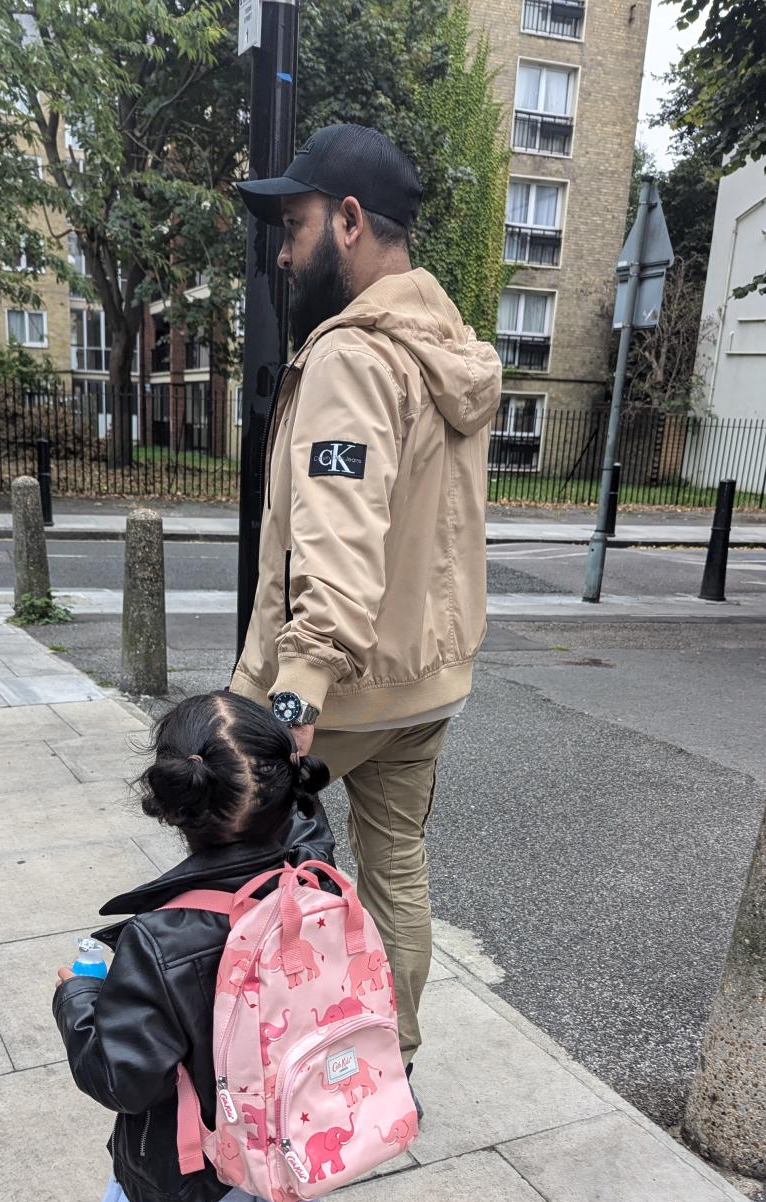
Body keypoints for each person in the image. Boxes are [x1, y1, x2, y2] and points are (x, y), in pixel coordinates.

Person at [231, 123, 502, 1074]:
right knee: (396, 872)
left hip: (338, 689)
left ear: (348, 221)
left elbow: (339, 548)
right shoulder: (451, 350)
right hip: (428, 683)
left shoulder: (353, 357)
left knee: (242, 870)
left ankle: (270, 1066)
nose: (284, 248)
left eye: (295, 223)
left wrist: (291, 700)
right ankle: (389, 1063)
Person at [52, 691, 332, 1202]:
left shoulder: (164, 937)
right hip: (297, 1141)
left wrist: (80, 995)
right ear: (285, 784)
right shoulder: (316, 864)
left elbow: (121, 1076)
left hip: (202, 1168)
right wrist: (292, 741)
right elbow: (307, 804)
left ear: (176, 810)